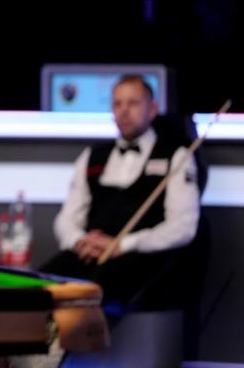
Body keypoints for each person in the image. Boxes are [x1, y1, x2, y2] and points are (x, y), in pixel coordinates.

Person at [41, 75, 201, 304]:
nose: (124, 111)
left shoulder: (176, 156)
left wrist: (122, 245)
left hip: (139, 257)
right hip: (89, 253)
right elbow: (66, 219)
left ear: (153, 109)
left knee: (88, 296)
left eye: (133, 103)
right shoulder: (91, 156)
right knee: (37, 290)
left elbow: (183, 227)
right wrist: (80, 241)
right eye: (117, 104)